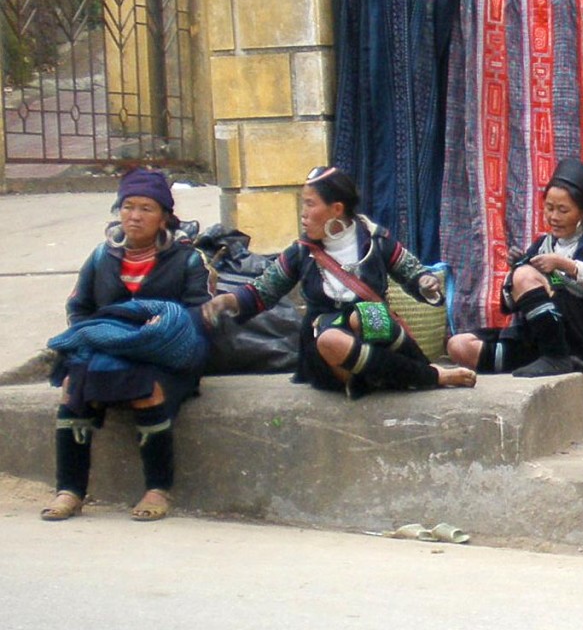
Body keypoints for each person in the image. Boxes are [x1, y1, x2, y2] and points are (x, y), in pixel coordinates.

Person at [202, 166, 476, 399]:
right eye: (303, 205)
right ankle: (429, 376)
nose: (303, 214)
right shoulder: (300, 253)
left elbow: (412, 272)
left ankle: (407, 374)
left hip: (376, 335)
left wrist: (426, 282)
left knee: (365, 314)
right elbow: (263, 291)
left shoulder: (375, 241)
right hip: (327, 350)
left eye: (310, 204)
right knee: (332, 337)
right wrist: (227, 300)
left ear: (336, 209)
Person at [41, 168, 212, 521]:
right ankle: (70, 490)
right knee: (74, 386)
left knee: (146, 389)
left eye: (146, 208)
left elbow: (200, 316)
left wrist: (160, 330)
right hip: (109, 350)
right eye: (128, 206)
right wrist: (106, 336)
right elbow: (80, 309)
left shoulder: (186, 260)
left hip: (167, 357)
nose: (134, 216)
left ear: (164, 216)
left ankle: (157, 488)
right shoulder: (102, 258)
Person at [447, 158, 583, 377]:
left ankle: (556, 359)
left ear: (582, 212)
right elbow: (509, 304)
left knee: (524, 276)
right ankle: (546, 357)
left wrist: (563, 265)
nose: (553, 217)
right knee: (459, 345)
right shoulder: (543, 244)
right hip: (542, 335)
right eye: (549, 208)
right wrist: (516, 271)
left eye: (563, 210)